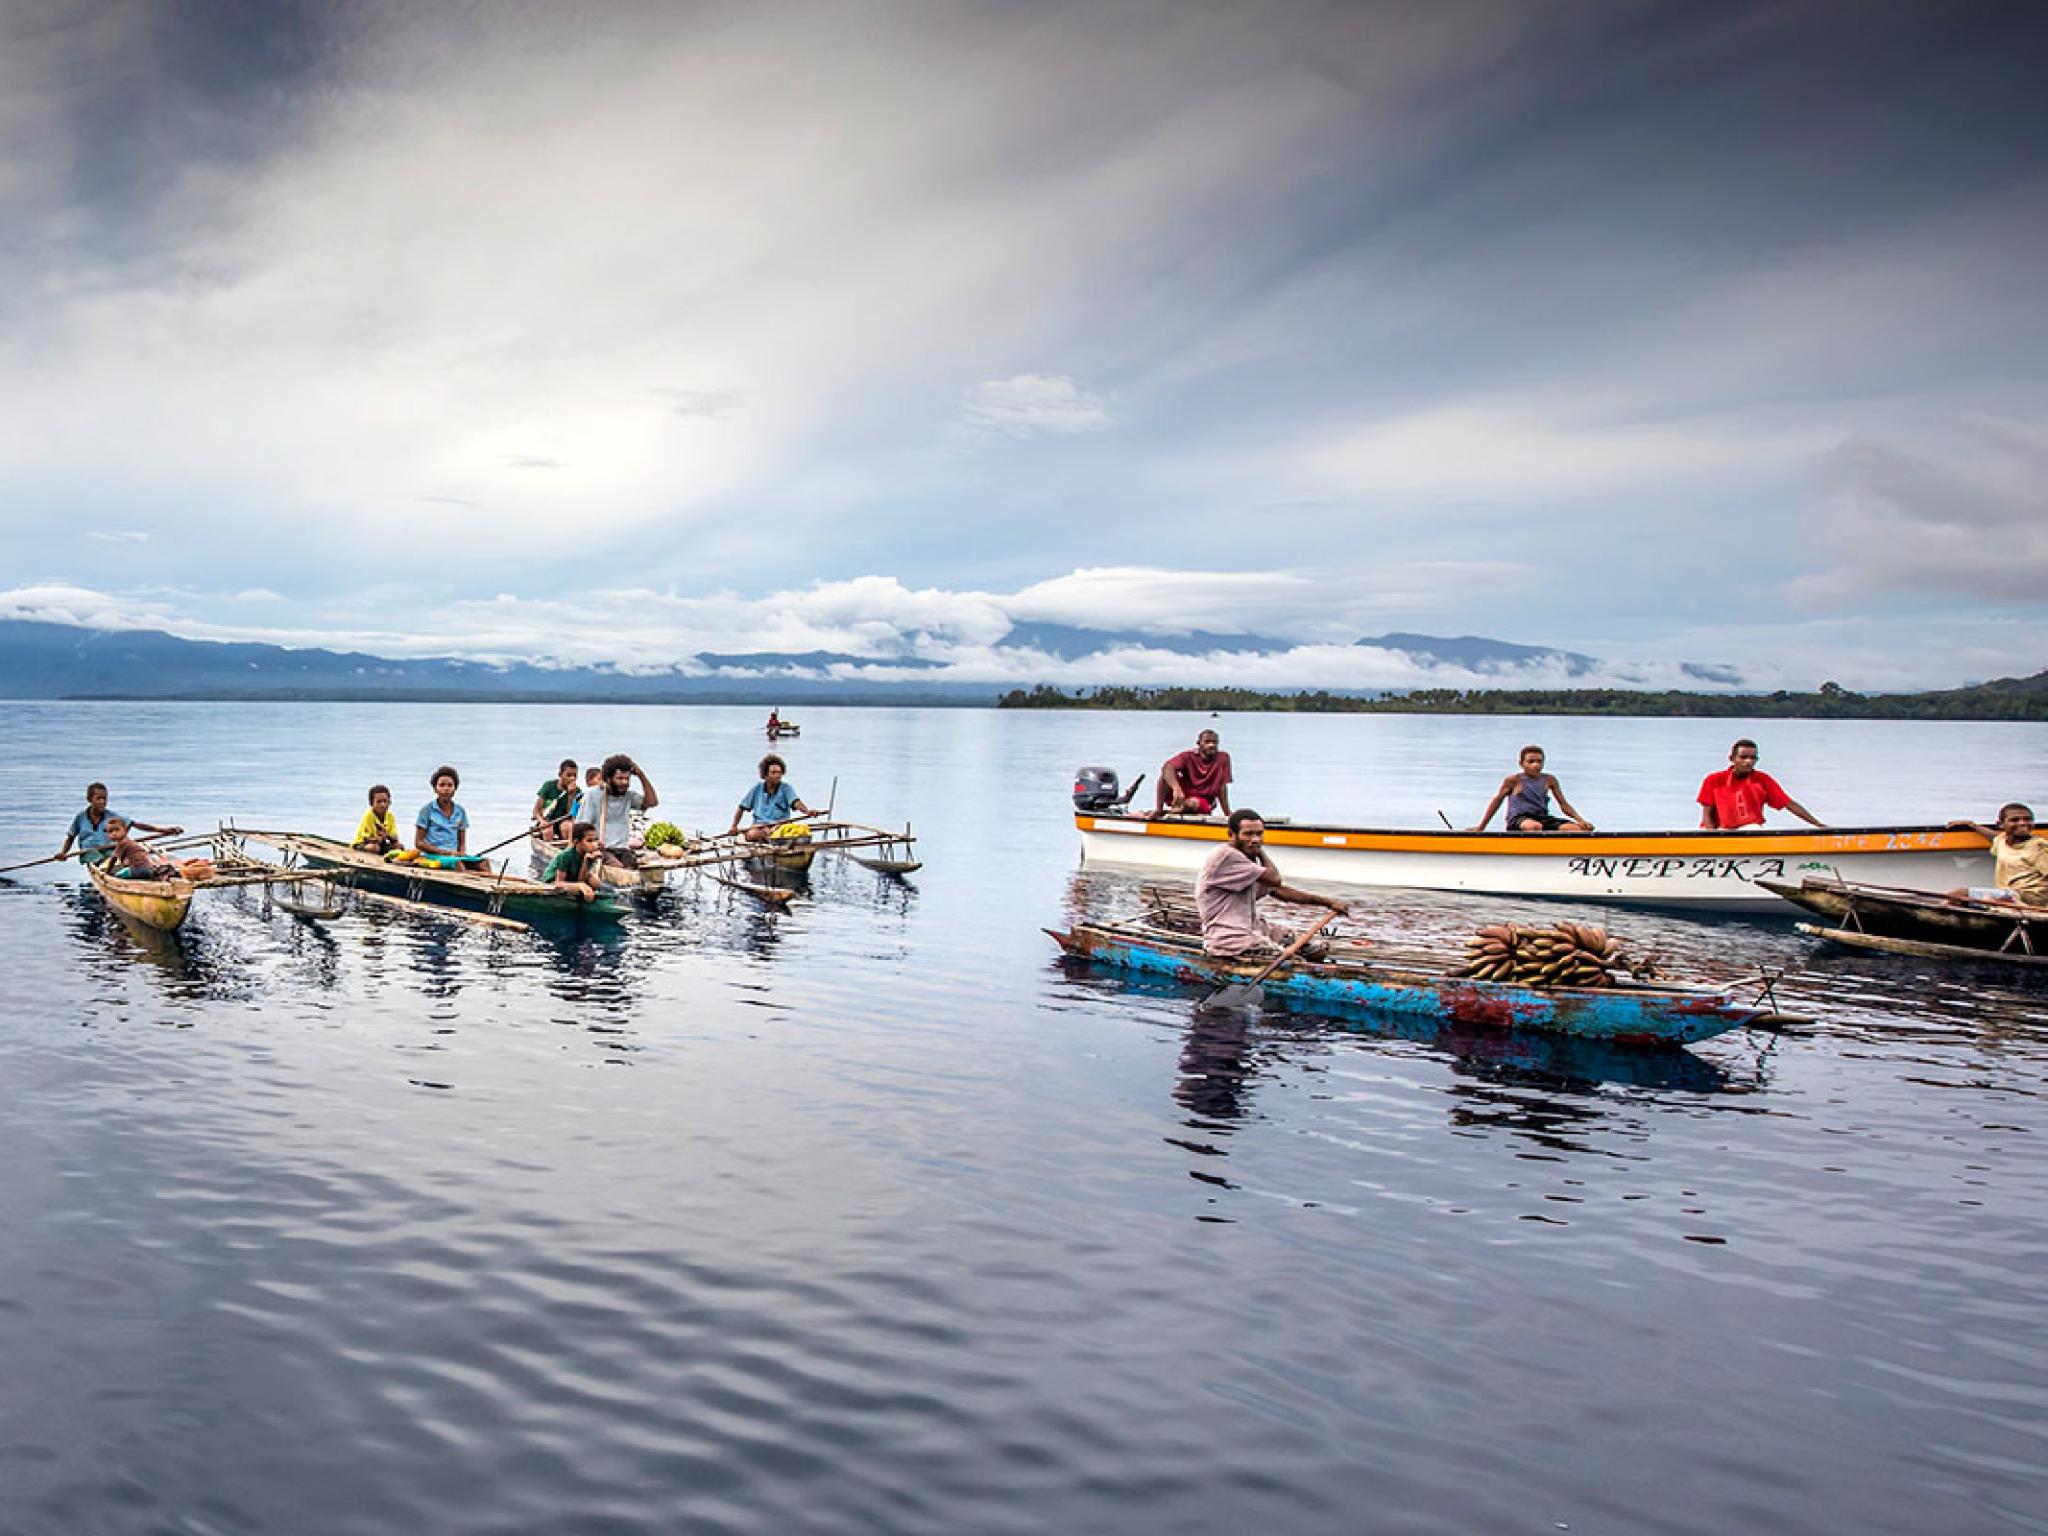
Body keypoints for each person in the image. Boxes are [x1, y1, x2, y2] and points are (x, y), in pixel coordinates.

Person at [1195, 808, 1348, 959]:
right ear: (1231, 835)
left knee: (1310, 948)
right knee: (1290, 960)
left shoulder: (1247, 859)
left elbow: (1279, 890)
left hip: (1253, 929)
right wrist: (1259, 850)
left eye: (1259, 834)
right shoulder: (1226, 856)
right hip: (1230, 939)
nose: (1255, 839)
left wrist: (1328, 903)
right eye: (1248, 834)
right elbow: (1274, 879)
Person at [1696, 739, 1823, 830]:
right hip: (1718, 829)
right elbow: (1707, 813)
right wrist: (1712, 835)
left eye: (1753, 758)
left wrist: (1817, 824)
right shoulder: (1714, 779)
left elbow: (1788, 804)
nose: (1748, 762)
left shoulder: (1762, 779)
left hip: (1747, 828)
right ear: (1732, 758)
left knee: (1755, 830)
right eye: (1743, 757)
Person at [1945, 803, 2048, 906]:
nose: (2022, 823)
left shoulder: (2039, 847)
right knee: (1956, 901)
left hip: (2031, 897)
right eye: (2014, 820)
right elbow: (1993, 837)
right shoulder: (2002, 841)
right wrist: (1972, 825)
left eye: (2027, 819)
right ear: (2001, 824)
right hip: (2009, 893)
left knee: (1958, 894)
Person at [1471, 746, 1593, 832]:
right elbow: (1496, 802)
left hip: (1542, 817)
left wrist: (1581, 820)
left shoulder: (1549, 780)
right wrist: (1481, 827)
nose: (1536, 765)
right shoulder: (1514, 780)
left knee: (1576, 829)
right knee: (1534, 827)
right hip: (1520, 819)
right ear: (1521, 763)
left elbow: (1563, 804)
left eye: (1539, 762)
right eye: (1531, 761)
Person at [56, 782, 179, 863]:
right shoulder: (80, 818)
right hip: (89, 852)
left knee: (118, 857)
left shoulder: (112, 817)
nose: (102, 802)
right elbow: (70, 837)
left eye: (105, 798)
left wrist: (165, 830)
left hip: (109, 850)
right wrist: (63, 853)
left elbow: (136, 825)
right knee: (99, 858)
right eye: (98, 799)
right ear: (90, 799)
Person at [584, 753, 659, 872]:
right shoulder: (593, 795)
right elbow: (582, 827)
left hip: (623, 849)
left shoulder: (627, 796)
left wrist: (641, 775)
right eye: (620, 778)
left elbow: (652, 802)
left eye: (627, 778)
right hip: (602, 849)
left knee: (633, 868)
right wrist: (593, 847)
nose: (625, 782)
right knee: (620, 869)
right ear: (608, 779)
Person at [729, 753, 814, 842]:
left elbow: (796, 803)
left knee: (791, 832)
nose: (777, 776)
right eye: (773, 773)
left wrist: (807, 811)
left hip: (780, 826)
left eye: (779, 773)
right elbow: (741, 808)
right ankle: (767, 837)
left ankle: (772, 838)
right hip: (759, 827)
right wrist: (734, 826)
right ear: (765, 775)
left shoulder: (786, 788)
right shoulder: (757, 788)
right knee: (752, 834)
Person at [1152, 729, 1233, 818]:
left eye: (1214, 742)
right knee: (1165, 777)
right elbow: (1167, 767)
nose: (1211, 745)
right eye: (1207, 742)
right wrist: (1176, 788)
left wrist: (1227, 813)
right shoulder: (1188, 756)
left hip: (1202, 800)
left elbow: (1222, 787)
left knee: (1193, 803)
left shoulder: (1223, 758)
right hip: (1182, 795)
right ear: (1199, 743)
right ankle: (1159, 810)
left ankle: (1174, 811)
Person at [541, 822, 607, 902]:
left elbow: (581, 879)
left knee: (595, 882)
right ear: (576, 841)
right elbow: (558, 883)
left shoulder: (589, 854)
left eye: (595, 840)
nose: (594, 844)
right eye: (589, 841)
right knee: (585, 886)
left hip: (573, 878)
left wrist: (587, 861)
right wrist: (580, 886)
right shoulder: (565, 856)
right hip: (553, 881)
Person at [415, 766, 470, 857]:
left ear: (455, 788)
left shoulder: (461, 811)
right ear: (435, 789)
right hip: (432, 855)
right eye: (442, 785)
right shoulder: (427, 810)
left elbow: (462, 843)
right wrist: (442, 852)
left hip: (454, 856)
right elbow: (419, 843)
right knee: (458, 865)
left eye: (450, 785)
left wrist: (462, 854)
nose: (446, 789)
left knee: (484, 863)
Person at [102, 816, 179, 880]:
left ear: (125, 831)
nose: (114, 833)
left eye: (117, 830)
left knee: (118, 876)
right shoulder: (129, 842)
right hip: (149, 869)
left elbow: (113, 860)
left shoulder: (122, 843)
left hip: (139, 870)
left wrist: (107, 873)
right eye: (111, 831)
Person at [532, 760, 580, 842]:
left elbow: (570, 815)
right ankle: (548, 851)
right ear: (560, 775)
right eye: (569, 775)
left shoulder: (577, 791)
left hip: (563, 822)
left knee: (568, 827)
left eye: (575, 776)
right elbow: (536, 810)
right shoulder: (549, 786)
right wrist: (542, 821)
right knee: (548, 830)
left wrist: (571, 795)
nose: (572, 778)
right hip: (547, 820)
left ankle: (566, 849)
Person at [353, 784, 402, 854]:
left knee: (399, 847)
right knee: (374, 848)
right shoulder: (369, 815)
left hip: (381, 844)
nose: (382, 805)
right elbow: (367, 838)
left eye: (385, 801)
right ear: (371, 803)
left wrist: (387, 836)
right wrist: (380, 837)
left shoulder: (390, 816)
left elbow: (395, 838)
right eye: (378, 802)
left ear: (390, 802)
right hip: (363, 843)